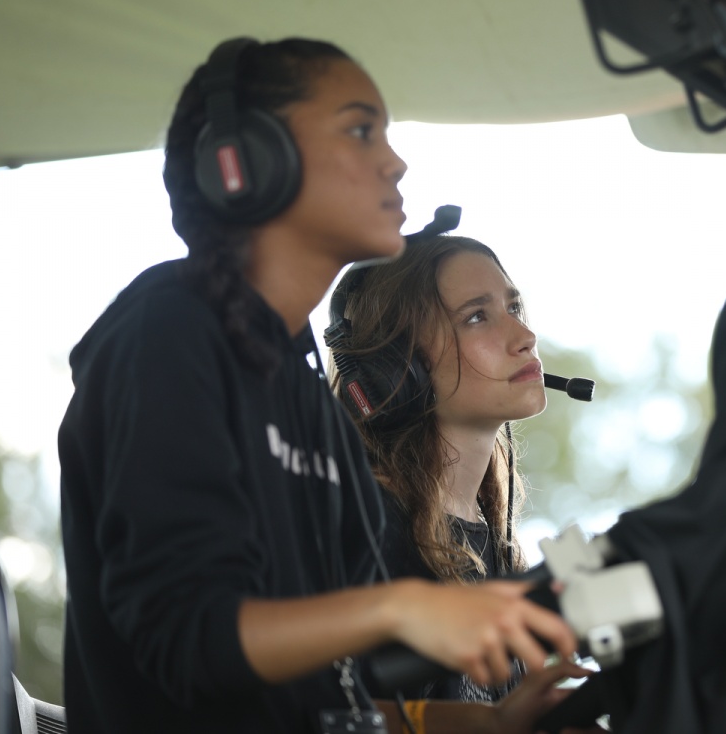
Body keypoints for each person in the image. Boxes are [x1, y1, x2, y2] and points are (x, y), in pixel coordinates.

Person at [57, 37, 583, 734]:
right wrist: (401, 608)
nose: (395, 162)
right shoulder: (168, 330)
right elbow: (189, 640)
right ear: (249, 161)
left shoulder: (310, 405)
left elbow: (334, 706)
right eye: (361, 131)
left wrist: (495, 725)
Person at [325, 234, 548, 703]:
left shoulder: (497, 545)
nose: (525, 337)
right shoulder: (365, 525)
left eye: (514, 308)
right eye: (476, 317)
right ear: (400, 369)